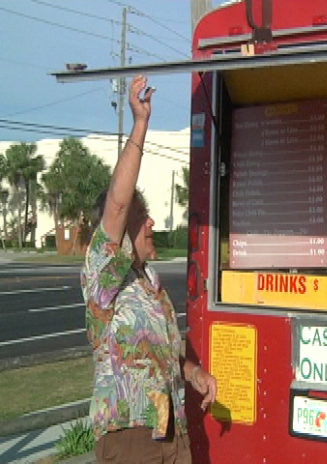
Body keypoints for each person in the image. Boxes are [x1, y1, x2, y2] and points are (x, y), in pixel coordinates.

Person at [81, 75, 216, 464]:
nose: (152, 222)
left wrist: (193, 373)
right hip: (131, 435)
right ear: (123, 230)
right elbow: (118, 204)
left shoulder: (148, 283)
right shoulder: (105, 277)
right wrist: (140, 122)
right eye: (143, 217)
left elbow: (159, 355)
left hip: (169, 427)